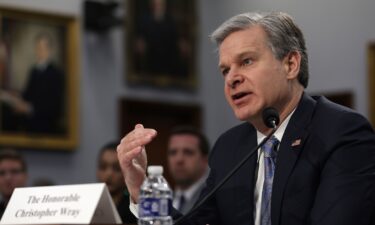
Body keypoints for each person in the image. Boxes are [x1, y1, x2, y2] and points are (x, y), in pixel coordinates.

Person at [117, 11, 375, 225]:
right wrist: (141, 191)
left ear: (290, 64)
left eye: (247, 61)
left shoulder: (341, 132)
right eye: (225, 70)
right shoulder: (230, 147)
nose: (232, 78)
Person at [0, 32, 64, 134]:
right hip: (28, 115)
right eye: (38, 48)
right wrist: (15, 95)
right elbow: (28, 94)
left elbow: (54, 106)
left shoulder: (55, 74)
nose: (39, 51)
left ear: (49, 50)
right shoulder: (33, 70)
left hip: (43, 121)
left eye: (42, 48)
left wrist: (29, 109)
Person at [167, 126, 209, 214]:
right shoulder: (165, 199)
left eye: (188, 152)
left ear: (205, 160)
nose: (179, 159)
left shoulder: (213, 198)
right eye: (173, 152)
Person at [96, 142, 137, 224]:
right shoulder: (90, 203)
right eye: (103, 167)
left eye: (116, 168)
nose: (109, 174)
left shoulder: (134, 209)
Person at [0, 149, 28, 218]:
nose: (8, 178)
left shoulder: (38, 212)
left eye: (14, 172)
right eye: (2, 173)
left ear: (25, 176)